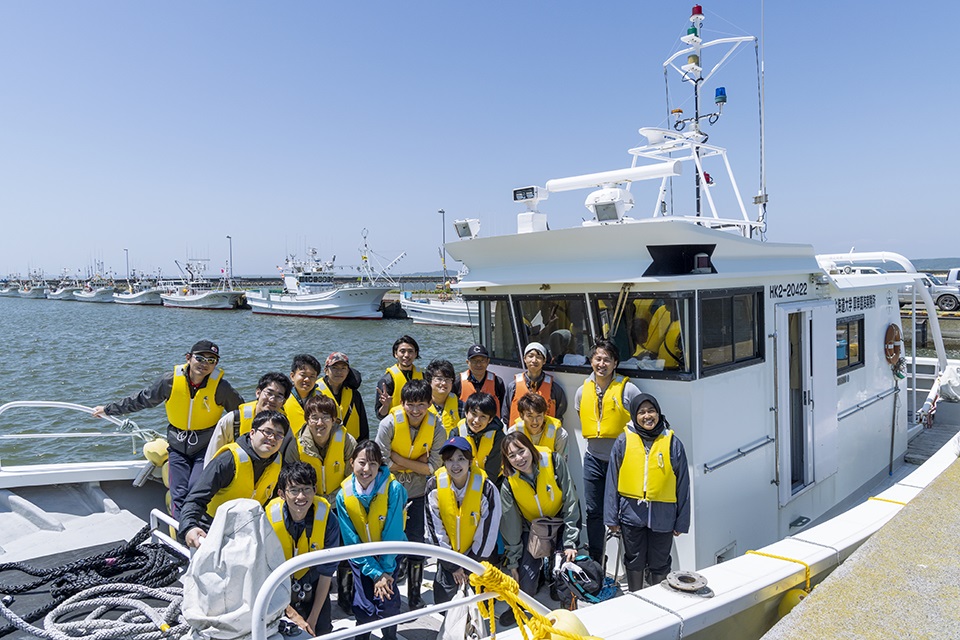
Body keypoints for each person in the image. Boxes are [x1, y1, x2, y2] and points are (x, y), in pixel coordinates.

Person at [92, 340, 244, 516]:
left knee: (196, 489)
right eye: (200, 358)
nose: (205, 364)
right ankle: (181, 534)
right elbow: (142, 399)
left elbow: (241, 412)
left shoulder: (221, 388)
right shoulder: (169, 381)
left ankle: (195, 529)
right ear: (188, 358)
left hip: (205, 447)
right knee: (178, 492)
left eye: (211, 361)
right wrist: (108, 409)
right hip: (178, 446)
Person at [605, 394, 689, 591]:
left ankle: (658, 602)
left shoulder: (673, 443)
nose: (647, 416)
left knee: (660, 561)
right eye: (641, 412)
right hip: (631, 515)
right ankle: (636, 598)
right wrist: (611, 517)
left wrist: (681, 521)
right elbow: (612, 480)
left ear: (658, 413)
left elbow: (683, 485)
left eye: (651, 411)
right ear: (635, 415)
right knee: (634, 559)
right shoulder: (623, 441)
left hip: (664, 517)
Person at [374, 378, 445, 610]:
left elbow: (434, 466)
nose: (416, 410)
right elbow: (380, 463)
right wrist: (417, 464)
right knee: (390, 542)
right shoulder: (388, 424)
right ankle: (389, 591)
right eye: (410, 404)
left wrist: (399, 459)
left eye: (422, 405)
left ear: (429, 403)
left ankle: (415, 594)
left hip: (418, 493)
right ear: (402, 403)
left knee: (416, 542)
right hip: (391, 492)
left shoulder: (437, 427)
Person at [499, 432, 581, 620]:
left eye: (521, 451)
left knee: (565, 573)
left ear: (531, 448)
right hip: (533, 528)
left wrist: (570, 542)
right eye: (512, 456)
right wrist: (513, 563)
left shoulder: (554, 461)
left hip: (560, 520)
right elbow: (511, 527)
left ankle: (568, 610)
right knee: (524, 581)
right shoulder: (508, 484)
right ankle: (517, 607)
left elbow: (570, 501)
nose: (519, 458)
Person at [179, 410, 289, 549]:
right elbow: (195, 498)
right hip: (212, 527)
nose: (272, 438)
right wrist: (190, 527)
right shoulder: (228, 460)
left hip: (249, 530)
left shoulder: (278, 464)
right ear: (252, 433)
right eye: (267, 432)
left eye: (279, 435)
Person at [575, 339, 642, 563]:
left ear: (615, 363)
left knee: (626, 513)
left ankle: (632, 561)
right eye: (598, 358)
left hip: (622, 462)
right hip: (593, 458)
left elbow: (643, 421)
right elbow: (580, 414)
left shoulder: (629, 390)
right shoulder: (581, 391)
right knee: (593, 512)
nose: (601, 363)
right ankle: (596, 559)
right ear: (591, 361)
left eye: (607, 359)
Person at [336, 441, 407, 640]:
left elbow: (393, 532)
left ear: (380, 466)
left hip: (390, 556)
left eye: (373, 464)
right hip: (361, 557)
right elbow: (351, 539)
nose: (367, 469)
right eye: (362, 462)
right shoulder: (344, 496)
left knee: (388, 602)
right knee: (364, 605)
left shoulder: (393, 489)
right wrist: (374, 573)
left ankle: (390, 636)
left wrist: (384, 572)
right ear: (352, 463)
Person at [296, 394, 358, 616]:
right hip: (309, 504)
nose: (320, 423)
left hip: (339, 501)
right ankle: (309, 597)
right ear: (307, 420)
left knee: (344, 551)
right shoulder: (297, 444)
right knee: (312, 550)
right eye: (314, 417)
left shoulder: (346, 440)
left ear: (334, 420)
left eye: (325, 417)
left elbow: (355, 475)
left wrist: (341, 497)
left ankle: (345, 595)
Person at [424, 436, 502, 607]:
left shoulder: (487, 489)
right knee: (444, 603)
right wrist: (453, 566)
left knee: (481, 605)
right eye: (450, 460)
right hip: (448, 557)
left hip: (478, 558)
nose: (455, 465)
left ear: (470, 461)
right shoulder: (433, 487)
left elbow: (488, 533)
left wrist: (468, 566)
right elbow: (434, 530)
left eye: (461, 459)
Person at [265, 462, 340, 636]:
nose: (301, 496)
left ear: (315, 490)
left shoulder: (329, 520)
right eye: (294, 490)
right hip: (277, 589)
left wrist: (311, 620)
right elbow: (262, 572)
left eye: (306, 489)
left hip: (313, 584)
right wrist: (291, 614)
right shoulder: (267, 520)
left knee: (322, 630)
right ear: (281, 494)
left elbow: (326, 572)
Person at [203, 372, 293, 466]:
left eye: (279, 396)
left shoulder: (283, 429)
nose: (272, 399)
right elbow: (211, 458)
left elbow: (288, 460)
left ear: (284, 402)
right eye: (269, 393)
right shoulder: (233, 420)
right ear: (258, 393)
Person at [502, 342, 567, 426]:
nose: (534, 360)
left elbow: (559, 415)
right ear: (524, 359)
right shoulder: (513, 387)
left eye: (539, 357)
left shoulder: (554, 389)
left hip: (544, 436)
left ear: (544, 361)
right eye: (530, 356)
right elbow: (505, 415)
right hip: (519, 437)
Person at [448, 392, 505, 483]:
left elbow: (492, 472)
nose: (476, 421)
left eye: (483, 416)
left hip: (491, 484)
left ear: (490, 419)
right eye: (474, 414)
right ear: (466, 413)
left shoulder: (498, 437)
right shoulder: (455, 433)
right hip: (461, 482)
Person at [316, 352, 369, 441]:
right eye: (334, 368)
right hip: (325, 446)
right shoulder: (316, 392)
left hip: (351, 447)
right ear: (326, 370)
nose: (339, 372)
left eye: (343, 368)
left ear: (348, 371)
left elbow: (363, 426)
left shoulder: (354, 394)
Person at [375, 335, 423, 419]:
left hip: (419, 424)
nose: (406, 355)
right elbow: (380, 415)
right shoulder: (387, 380)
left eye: (410, 351)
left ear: (416, 354)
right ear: (395, 354)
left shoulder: (423, 377)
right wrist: (385, 405)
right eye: (402, 351)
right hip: (397, 425)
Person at [507, 392, 568, 458]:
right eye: (530, 416)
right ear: (521, 416)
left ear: (544, 414)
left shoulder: (559, 435)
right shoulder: (513, 433)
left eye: (538, 416)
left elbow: (562, 465)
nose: (535, 421)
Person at [457, 344, 505, 415]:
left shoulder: (498, 382)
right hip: (466, 424)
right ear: (468, 362)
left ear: (488, 361)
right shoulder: (458, 382)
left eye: (482, 360)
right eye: (474, 361)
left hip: (491, 424)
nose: (478, 364)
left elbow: (503, 407)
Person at [285, 354, 323, 432]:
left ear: (316, 378)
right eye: (303, 375)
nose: (307, 379)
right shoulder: (281, 399)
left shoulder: (322, 399)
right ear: (292, 376)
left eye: (312, 376)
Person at [425, 359, 462, 434]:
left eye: (448, 379)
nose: (444, 383)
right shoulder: (420, 406)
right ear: (429, 381)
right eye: (439, 379)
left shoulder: (461, 406)